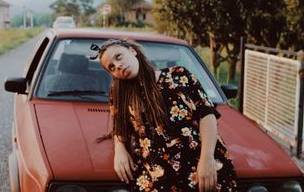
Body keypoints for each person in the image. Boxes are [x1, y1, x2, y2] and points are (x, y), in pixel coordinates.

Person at [90, 39, 237, 192]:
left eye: (118, 57)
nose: (118, 66)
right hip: (158, 176)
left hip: (199, 162)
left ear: (132, 51)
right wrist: (119, 150)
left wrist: (207, 158)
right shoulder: (119, 93)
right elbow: (119, 127)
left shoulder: (180, 75)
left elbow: (207, 115)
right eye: (111, 67)